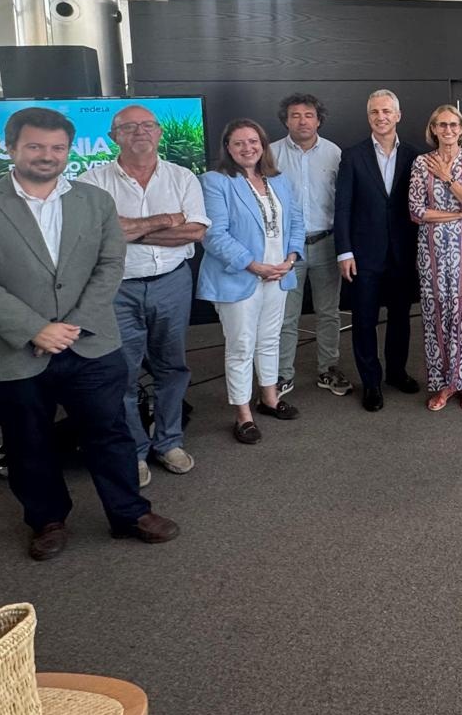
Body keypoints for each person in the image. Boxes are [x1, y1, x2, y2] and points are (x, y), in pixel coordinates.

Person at [0, 106, 178, 559]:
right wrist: (35, 329)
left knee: (110, 431)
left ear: (68, 151)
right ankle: (46, 519)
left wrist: (74, 324)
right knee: (27, 440)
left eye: (56, 147)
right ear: (11, 149)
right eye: (34, 146)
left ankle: (129, 512)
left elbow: (110, 265)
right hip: (10, 349)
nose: (46, 156)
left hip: (88, 342)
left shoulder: (94, 202)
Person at [78, 105, 208, 487]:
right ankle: (133, 450)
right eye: (129, 126)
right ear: (113, 135)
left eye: (148, 125)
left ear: (159, 134)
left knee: (172, 366)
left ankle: (169, 441)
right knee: (123, 372)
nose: (140, 132)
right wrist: (168, 220)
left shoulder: (182, 177)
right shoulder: (93, 182)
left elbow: (196, 231)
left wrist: (130, 231)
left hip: (172, 282)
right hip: (116, 288)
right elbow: (100, 234)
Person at [198, 119, 306, 445]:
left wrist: (290, 259)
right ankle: (243, 414)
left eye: (253, 141)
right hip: (239, 277)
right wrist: (254, 266)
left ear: (263, 145)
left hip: (279, 274)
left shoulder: (279, 180)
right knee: (242, 345)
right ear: (228, 148)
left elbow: (297, 222)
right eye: (239, 143)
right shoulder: (216, 181)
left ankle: (269, 398)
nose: (248, 148)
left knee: (270, 338)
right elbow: (214, 235)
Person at [334, 90, 423, 412]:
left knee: (401, 318)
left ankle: (396, 372)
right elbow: (342, 207)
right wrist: (344, 251)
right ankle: (371, 382)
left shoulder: (415, 156)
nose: (381, 117)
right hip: (364, 255)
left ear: (398, 115)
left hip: (403, 253)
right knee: (364, 321)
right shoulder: (353, 156)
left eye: (387, 111)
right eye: (374, 112)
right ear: (368, 116)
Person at [409, 104, 462, 411]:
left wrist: (446, 178)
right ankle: (443, 385)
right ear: (433, 129)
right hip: (432, 252)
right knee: (436, 316)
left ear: (461, 128)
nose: (448, 130)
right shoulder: (420, 163)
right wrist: (458, 213)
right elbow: (417, 212)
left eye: (454, 125)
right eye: (442, 125)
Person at [270, 93, 347, 397]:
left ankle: (328, 369)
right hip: (287, 247)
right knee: (287, 314)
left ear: (319, 119)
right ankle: (282, 374)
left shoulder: (334, 153)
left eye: (309, 115)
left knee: (329, 311)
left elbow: (343, 201)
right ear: (286, 120)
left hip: (326, 243)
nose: (302, 121)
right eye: (295, 115)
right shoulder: (270, 154)